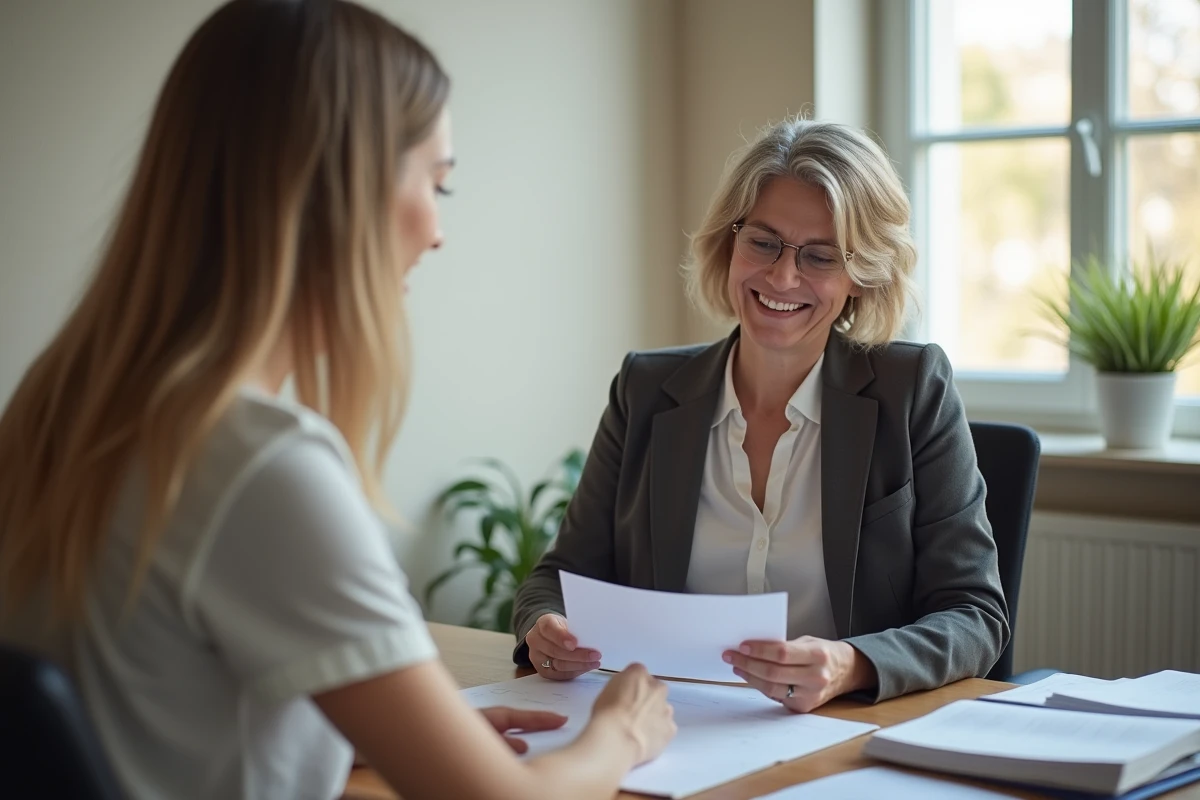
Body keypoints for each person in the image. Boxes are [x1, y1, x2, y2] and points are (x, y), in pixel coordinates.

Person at [0, 2, 675, 798]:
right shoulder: (255, 463)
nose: (436, 232)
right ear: (339, 191)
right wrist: (617, 737)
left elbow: (157, 717)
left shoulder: (56, 410)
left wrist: (395, 737)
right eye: (438, 183)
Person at [512, 117, 1010, 712]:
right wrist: (544, 627)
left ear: (861, 275)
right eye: (764, 242)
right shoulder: (645, 390)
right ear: (730, 242)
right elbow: (559, 577)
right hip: (669, 728)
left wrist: (851, 664)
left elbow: (975, 615)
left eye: (821, 256)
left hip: (843, 732)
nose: (782, 276)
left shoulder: (913, 390)